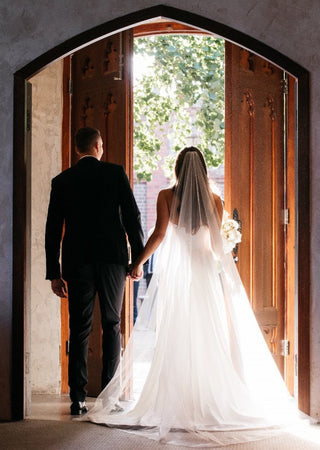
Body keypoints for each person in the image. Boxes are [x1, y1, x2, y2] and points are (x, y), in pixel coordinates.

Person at [82, 147, 308, 446]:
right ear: (202, 169)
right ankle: (206, 400)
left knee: (177, 334)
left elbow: (159, 235)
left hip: (178, 277)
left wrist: (137, 261)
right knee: (207, 334)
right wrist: (228, 240)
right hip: (203, 276)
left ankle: (177, 400)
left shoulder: (165, 196)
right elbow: (217, 249)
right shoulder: (215, 201)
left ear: (177, 168)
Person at [45, 127, 144, 415]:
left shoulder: (62, 181)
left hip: (77, 262)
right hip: (113, 259)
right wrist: (137, 258)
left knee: (79, 328)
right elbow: (132, 215)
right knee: (112, 324)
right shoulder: (115, 173)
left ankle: (77, 399)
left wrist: (54, 272)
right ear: (99, 146)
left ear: (77, 149)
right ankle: (108, 398)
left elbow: (53, 229)